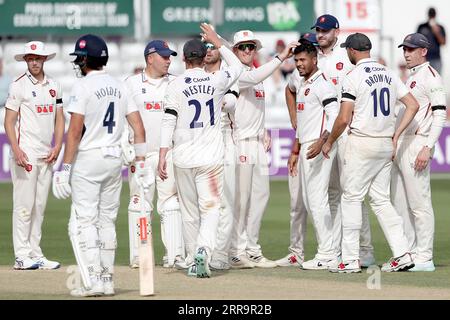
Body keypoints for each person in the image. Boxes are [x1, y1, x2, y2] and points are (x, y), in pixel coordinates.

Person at [52, 34, 149, 296]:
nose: (77, 63)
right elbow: (139, 128)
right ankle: (107, 281)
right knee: (107, 221)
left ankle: (93, 281)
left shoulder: (82, 87)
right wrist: (141, 164)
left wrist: (66, 169)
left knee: (85, 222)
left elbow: (73, 133)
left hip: (88, 160)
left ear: (85, 60)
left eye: (79, 59)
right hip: (113, 161)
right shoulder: (120, 86)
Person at [322, 33, 419, 273]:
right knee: (381, 200)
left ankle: (351, 259)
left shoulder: (352, 76)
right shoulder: (389, 73)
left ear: (353, 51)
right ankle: (403, 253)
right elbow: (413, 105)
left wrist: (329, 140)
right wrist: (395, 135)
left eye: (347, 50)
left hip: (362, 143)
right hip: (385, 144)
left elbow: (344, 118)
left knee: (351, 198)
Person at [158, 23, 243, 278]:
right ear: (203, 58)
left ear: (184, 59)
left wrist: (163, 154)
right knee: (211, 208)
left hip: (182, 157)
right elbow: (237, 67)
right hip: (211, 157)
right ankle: (203, 252)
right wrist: (218, 42)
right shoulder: (216, 80)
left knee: (189, 211)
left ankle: (192, 255)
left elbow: (168, 120)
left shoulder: (174, 85)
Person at [229, 30, 299, 269]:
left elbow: (254, 108)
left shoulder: (255, 75)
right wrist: (280, 57)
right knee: (241, 199)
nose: (248, 51)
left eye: (251, 47)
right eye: (242, 47)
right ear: (234, 50)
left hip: (257, 141)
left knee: (261, 196)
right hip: (240, 142)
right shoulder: (234, 73)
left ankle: (252, 248)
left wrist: (264, 130)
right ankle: (236, 251)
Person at [311, 14, 375, 267]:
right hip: (325, 133)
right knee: (332, 194)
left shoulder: (346, 58)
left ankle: (365, 250)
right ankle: (338, 248)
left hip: (346, 133)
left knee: (352, 193)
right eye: (318, 30)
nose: (321, 34)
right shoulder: (315, 58)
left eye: (325, 30)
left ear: (336, 32)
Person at [122, 40, 184, 269]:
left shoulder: (177, 83)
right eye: (164, 56)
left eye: (170, 56)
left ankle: (174, 255)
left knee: (171, 204)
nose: (169, 60)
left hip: (168, 154)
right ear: (150, 57)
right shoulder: (130, 83)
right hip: (142, 155)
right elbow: (121, 117)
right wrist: (124, 144)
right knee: (139, 204)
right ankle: (140, 255)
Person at [4, 41, 64, 270]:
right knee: (24, 206)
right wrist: (17, 150)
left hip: (46, 154)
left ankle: (35, 253)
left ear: (45, 60)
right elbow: (9, 121)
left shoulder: (55, 85)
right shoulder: (18, 85)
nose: (34, 62)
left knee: (39, 206)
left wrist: (57, 145)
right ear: (26, 61)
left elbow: (60, 118)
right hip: (26, 154)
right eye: (30, 59)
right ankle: (21, 255)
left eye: (38, 58)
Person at [391, 33, 447, 272]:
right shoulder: (412, 76)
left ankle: (424, 256)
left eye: (411, 49)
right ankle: (411, 252)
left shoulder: (432, 77)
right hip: (404, 142)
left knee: (419, 203)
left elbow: (440, 114)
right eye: (405, 49)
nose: (406, 53)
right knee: (401, 204)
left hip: (418, 143)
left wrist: (428, 146)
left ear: (424, 51)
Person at [286, 40, 339, 270]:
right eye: (296, 60)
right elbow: (304, 121)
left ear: (314, 59)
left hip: (319, 146)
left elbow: (334, 114)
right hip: (308, 145)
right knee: (311, 200)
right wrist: (296, 149)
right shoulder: (302, 82)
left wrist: (323, 140)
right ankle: (330, 251)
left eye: (303, 60)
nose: (299, 64)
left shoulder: (322, 84)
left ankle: (327, 254)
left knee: (317, 201)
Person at [275, 33, 316, 268]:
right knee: (297, 203)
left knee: (323, 202)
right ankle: (296, 252)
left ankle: (331, 251)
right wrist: (294, 121)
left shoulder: (325, 72)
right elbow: (289, 90)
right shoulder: (298, 75)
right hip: (301, 144)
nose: (300, 60)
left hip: (323, 145)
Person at [203, 41, 239, 270]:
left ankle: (220, 254)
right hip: (198, 141)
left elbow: (230, 102)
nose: (209, 50)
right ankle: (200, 250)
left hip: (224, 138)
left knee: (226, 201)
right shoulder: (193, 76)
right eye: (204, 47)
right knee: (203, 202)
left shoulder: (228, 75)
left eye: (212, 46)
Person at [417, 7, 446, 73]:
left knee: (437, 80)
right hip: (424, 59)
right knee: (423, 80)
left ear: (435, 15)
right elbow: (416, 42)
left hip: (436, 59)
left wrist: (436, 32)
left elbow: (443, 43)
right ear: (428, 15)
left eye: (433, 14)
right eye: (430, 14)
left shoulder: (440, 27)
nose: (431, 16)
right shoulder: (422, 26)